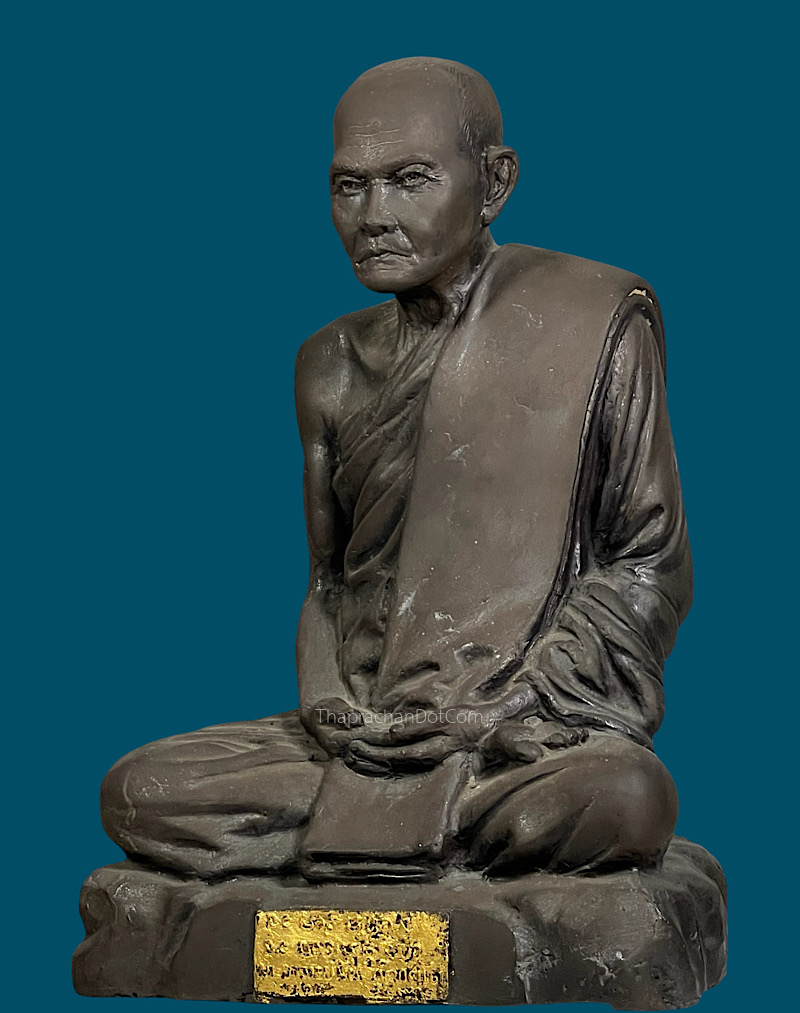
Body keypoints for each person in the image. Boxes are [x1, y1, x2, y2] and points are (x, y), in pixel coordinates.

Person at [101, 58, 687, 883]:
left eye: (410, 180)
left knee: (627, 796)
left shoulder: (591, 320)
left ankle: (379, 826)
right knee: (140, 790)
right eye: (349, 186)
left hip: (514, 727)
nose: (373, 216)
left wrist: (507, 705)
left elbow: (648, 564)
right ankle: (426, 826)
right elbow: (330, 582)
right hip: (371, 731)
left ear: (494, 182)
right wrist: (325, 701)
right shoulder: (329, 364)